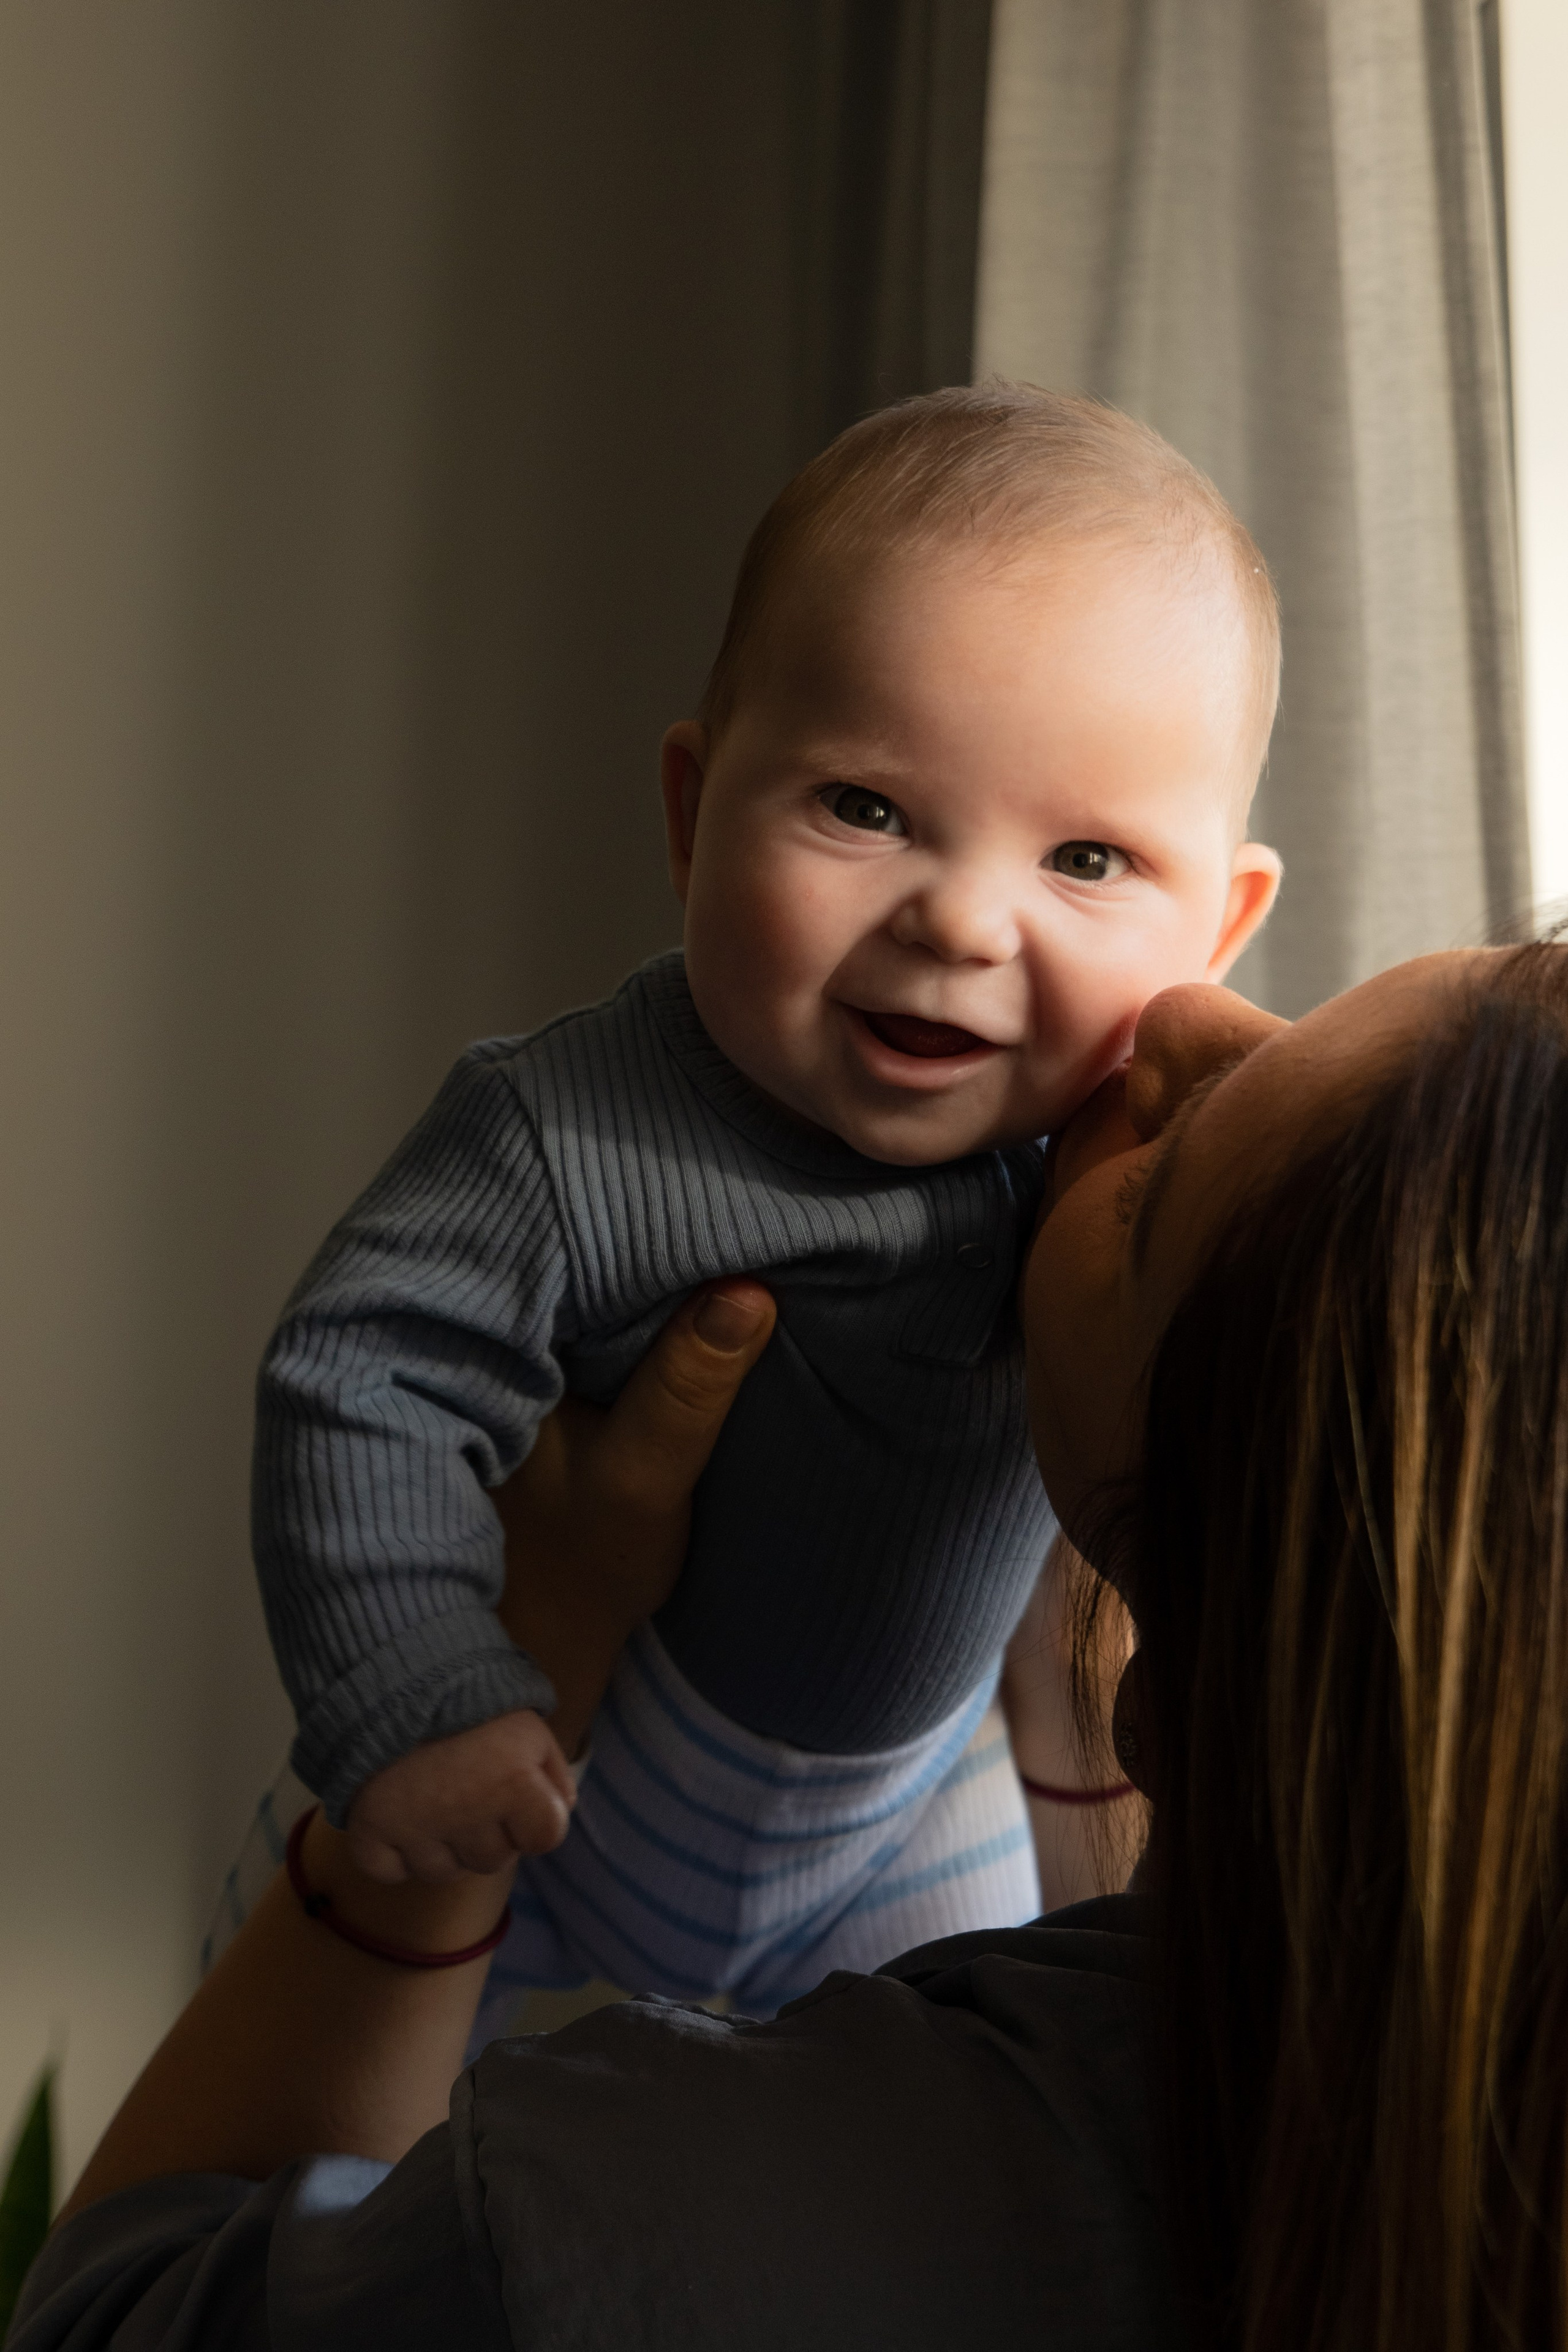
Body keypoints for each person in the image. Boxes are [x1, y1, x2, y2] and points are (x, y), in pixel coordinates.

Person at [16, 940, 1565, 2349]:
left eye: (1145, 1204)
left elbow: (110, 2320)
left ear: (1191, 1696)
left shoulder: (646, 2233)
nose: (1177, 1009)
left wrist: (513, 1648)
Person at [246, 382, 1282, 2022]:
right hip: (560, 1775)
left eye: (1085, 862)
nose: (961, 923)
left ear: (1216, 933)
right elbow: (362, 1375)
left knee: (957, 2115)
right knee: (339, 2124)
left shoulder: (1112, 1183)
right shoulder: (572, 1128)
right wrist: (420, 1696)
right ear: (692, 811)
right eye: (866, 809)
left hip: (905, 1818)